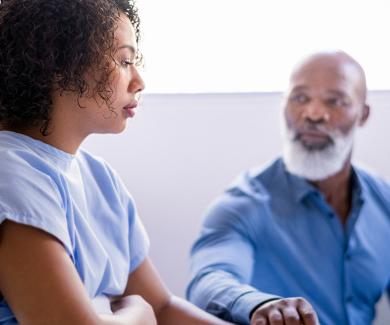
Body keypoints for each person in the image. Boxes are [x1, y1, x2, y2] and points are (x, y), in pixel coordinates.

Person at [0, 1, 234, 324]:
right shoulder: (10, 173)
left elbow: (163, 308)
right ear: (60, 61)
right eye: (125, 60)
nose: (138, 81)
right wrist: (139, 314)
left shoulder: (101, 179)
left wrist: (135, 311)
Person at [187, 50, 390, 325]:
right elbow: (208, 281)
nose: (314, 114)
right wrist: (261, 305)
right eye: (300, 98)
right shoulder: (244, 204)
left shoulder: (384, 200)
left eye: (335, 101)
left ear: (362, 115)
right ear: (284, 107)